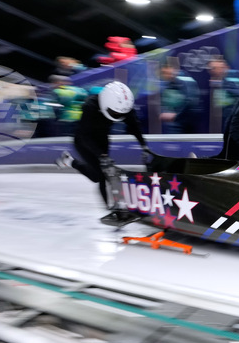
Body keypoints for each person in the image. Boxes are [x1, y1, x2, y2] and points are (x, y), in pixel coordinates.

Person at [55, 81, 151, 224]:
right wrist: (101, 155)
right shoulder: (90, 106)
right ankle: (111, 210)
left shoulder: (124, 106)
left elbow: (133, 125)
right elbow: (85, 136)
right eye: (115, 113)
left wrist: (143, 145)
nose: (118, 115)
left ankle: (68, 160)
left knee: (99, 174)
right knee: (100, 175)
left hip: (102, 138)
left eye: (121, 113)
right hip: (84, 140)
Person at [205, 57, 239, 133]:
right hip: (217, 125)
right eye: (212, 68)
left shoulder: (233, 83)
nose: (213, 71)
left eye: (219, 68)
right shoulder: (210, 84)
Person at [159, 60, 200, 134]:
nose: (164, 75)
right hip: (175, 123)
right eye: (163, 73)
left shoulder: (184, 81)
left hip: (185, 123)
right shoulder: (169, 84)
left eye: (166, 72)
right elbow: (165, 102)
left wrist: (175, 116)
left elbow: (190, 101)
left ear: (172, 69)